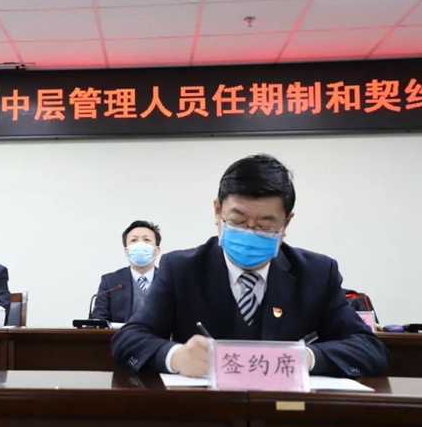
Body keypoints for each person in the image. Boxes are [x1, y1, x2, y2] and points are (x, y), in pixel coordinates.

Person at [111, 154, 388, 378]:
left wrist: (306, 358)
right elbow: (129, 339)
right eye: (238, 221)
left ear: (286, 223)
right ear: (217, 211)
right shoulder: (182, 269)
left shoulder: (316, 273)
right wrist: (175, 357)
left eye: (265, 225)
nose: (250, 232)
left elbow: (370, 349)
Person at [91, 220, 162, 323]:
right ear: (126, 251)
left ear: (156, 251)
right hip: (121, 333)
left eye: (146, 239)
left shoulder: (169, 280)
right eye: (134, 240)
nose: (140, 244)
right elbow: (99, 319)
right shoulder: (110, 282)